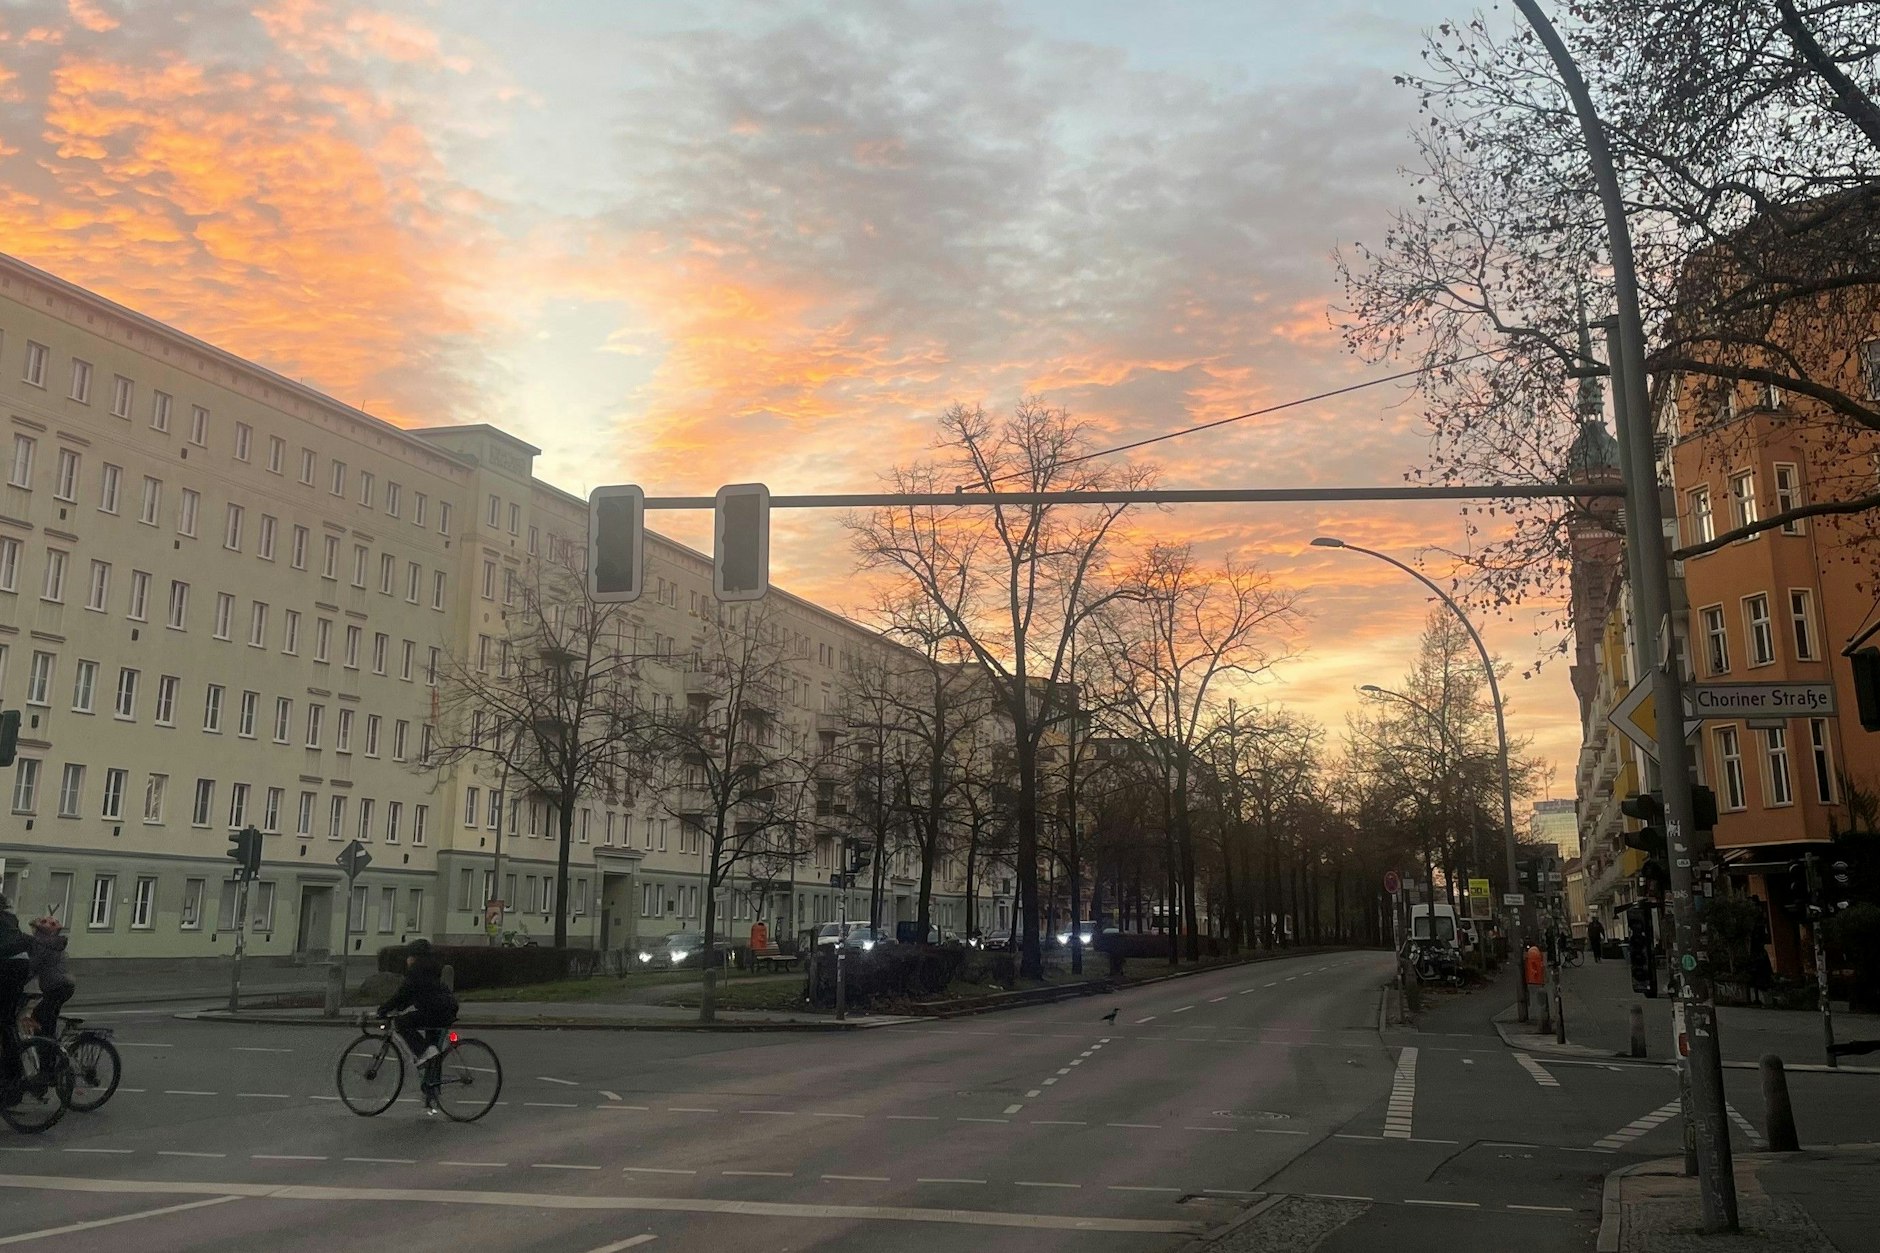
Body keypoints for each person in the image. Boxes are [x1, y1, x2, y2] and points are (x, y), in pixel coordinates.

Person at [376, 939, 458, 1107]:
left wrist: (384, 1009)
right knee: (433, 1052)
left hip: (436, 1012)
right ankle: (431, 1092)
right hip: (442, 1011)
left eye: (409, 956)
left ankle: (424, 1054)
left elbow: (403, 994)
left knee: (402, 1024)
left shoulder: (416, 971)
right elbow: (412, 995)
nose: (407, 960)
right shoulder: (429, 969)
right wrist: (398, 1006)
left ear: (414, 958)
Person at [0, 896, 33, 1091]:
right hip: (21, 967)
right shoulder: (10, 919)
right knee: (7, 1022)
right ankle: (13, 1076)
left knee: (5, 1023)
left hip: (8, 968)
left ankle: (13, 1080)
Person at [26, 916, 73, 1037]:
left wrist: (18, 981)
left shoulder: (44, 946)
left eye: (37, 930)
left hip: (56, 987)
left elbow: (32, 967)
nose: (34, 932)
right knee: (49, 1017)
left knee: (39, 1015)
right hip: (66, 985)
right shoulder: (56, 944)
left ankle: (46, 1050)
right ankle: (52, 1048)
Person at [1523, 940, 1546, 1021]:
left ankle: (1534, 1016)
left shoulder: (1531, 953)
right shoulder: (1536, 953)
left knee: (1535, 996)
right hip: (1537, 979)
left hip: (1532, 980)